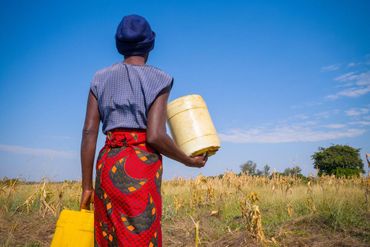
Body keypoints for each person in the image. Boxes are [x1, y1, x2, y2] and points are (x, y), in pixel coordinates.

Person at [79, 14, 208, 246]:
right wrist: (188, 160)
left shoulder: (99, 78)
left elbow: (89, 132)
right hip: (140, 167)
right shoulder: (160, 79)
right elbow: (156, 135)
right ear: (150, 45)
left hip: (108, 164)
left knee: (109, 234)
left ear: (119, 46)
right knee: (140, 234)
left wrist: (86, 186)